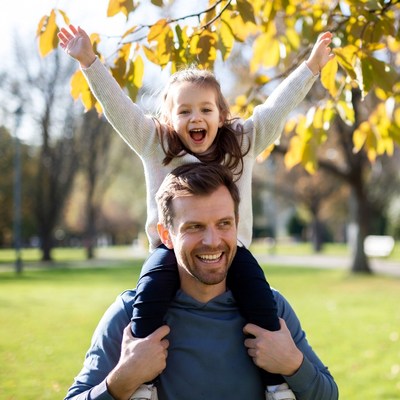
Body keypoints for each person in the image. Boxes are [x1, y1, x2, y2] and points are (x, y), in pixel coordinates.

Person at [58, 24, 334, 399]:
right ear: (168, 118)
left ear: (221, 115)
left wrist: (311, 68)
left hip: (237, 252)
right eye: (183, 110)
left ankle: (277, 384)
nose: (195, 118)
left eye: (205, 109)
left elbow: (276, 108)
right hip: (166, 252)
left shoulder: (241, 143)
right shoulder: (157, 145)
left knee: (259, 299)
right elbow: (119, 109)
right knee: (150, 295)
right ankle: (144, 383)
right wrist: (89, 62)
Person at [64, 163, 339, 400]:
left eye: (224, 224)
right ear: (167, 234)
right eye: (194, 226)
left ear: (237, 224)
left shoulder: (272, 309)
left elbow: (329, 394)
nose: (212, 241)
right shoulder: (130, 315)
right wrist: (123, 379)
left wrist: (293, 364)